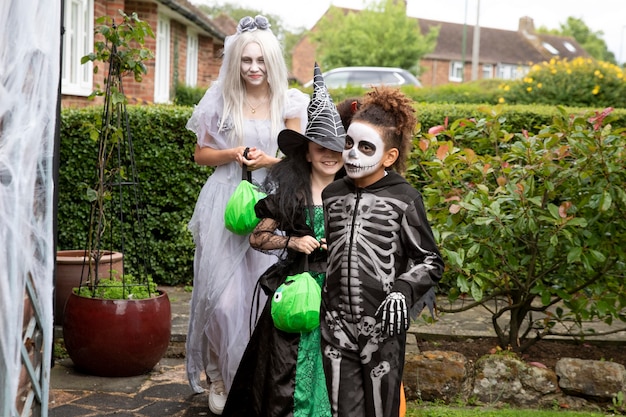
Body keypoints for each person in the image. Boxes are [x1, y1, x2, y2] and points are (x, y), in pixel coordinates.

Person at [185, 15, 309, 415]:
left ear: (272, 61)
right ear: (235, 60)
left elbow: (297, 159)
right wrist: (233, 153)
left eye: (260, 60)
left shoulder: (289, 102)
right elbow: (200, 154)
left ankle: (250, 379)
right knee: (222, 298)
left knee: (259, 296)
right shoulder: (219, 97)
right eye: (245, 60)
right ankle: (218, 376)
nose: (253, 68)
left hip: (270, 204)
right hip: (224, 198)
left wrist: (268, 160)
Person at [222, 63, 346, 417]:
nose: (329, 154)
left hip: (339, 296)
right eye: (320, 147)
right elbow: (258, 238)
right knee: (283, 372)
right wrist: (293, 243)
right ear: (306, 152)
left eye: (336, 147)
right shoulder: (292, 192)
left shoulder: (351, 195)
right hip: (296, 292)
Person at [320, 87, 444, 417]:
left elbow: (431, 260)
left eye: (365, 147)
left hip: (383, 327)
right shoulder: (332, 195)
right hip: (334, 325)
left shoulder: (404, 198)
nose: (353, 154)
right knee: (340, 411)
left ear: (388, 157)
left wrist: (403, 290)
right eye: (349, 143)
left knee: (382, 410)